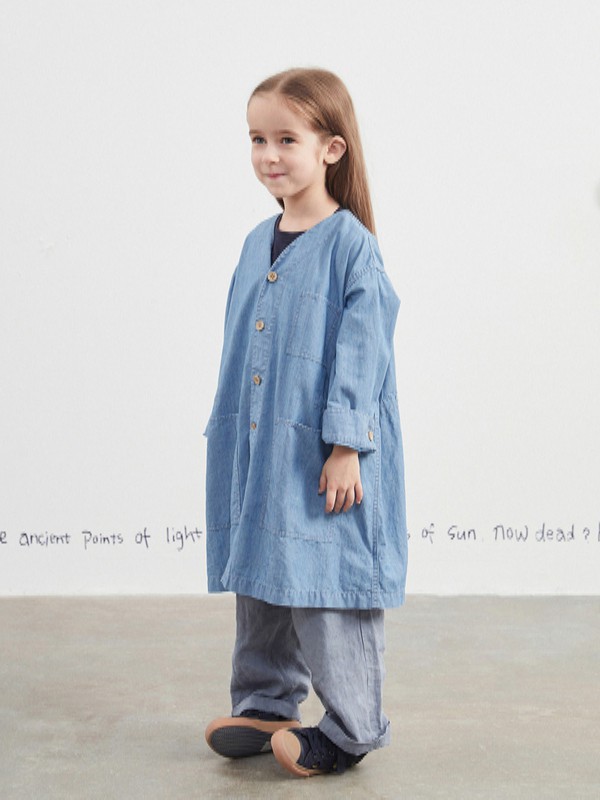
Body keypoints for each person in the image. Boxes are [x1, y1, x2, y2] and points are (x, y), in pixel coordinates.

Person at [203, 67, 408, 778]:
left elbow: (365, 348)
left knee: (328, 586)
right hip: (261, 449)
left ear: (331, 148)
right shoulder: (256, 241)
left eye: (285, 139)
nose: (268, 155)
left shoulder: (351, 245)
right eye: (257, 139)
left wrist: (347, 444)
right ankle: (266, 703)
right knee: (261, 579)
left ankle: (352, 729)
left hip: (325, 456)